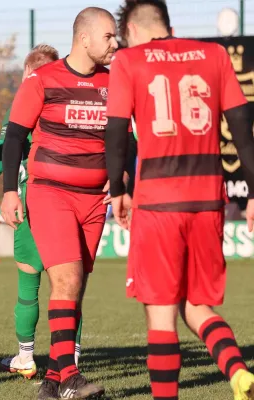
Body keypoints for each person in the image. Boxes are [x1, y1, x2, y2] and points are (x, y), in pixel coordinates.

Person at [105, 1, 254, 399]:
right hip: (208, 200)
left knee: (160, 311)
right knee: (196, 301)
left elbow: (116, 131)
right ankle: (238, 373)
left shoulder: (128, 60)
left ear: (132, 29)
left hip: (157, 201)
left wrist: (118, 191)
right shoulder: (215, 54)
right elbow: (241, 123)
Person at [0, 7, 132, 399]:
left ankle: (53, 382)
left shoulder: (115, 82)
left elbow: (127, 140)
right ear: (84, 38)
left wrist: (122, 178)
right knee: (66, 280)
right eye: (108, 36)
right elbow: (14, 139)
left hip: (96, 201)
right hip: (50, 193)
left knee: (75, 290)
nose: (115, 43)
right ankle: (71, 377)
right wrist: (9, 190)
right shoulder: (43, 79)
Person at [0, 44, 78, 380]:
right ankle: (70, 358)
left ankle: (25, 357)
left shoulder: (23, 113)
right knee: (69, 287)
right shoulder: (75, 107)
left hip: (35, 206)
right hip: (76, 204)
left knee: (29, 285)